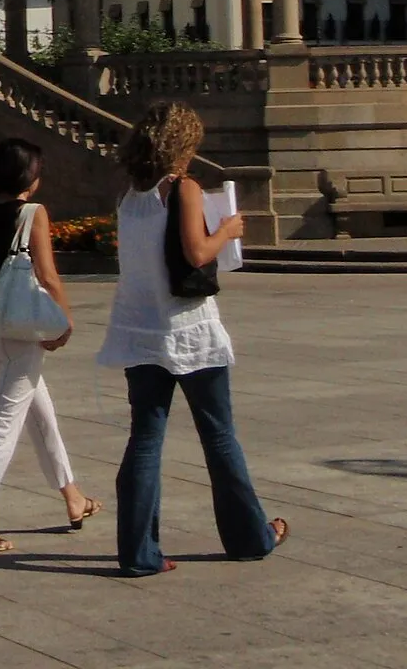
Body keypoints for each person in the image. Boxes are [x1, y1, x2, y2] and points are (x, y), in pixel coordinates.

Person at [100, 102, 286, 576]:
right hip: (187, 327)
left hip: (140, 329)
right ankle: (250, 536)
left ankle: (138, 552)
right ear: (183, 146)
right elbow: (196, 250)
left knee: (145, 439)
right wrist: (227, 230)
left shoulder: (130, 195)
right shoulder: (181, 188)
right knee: (219, 435)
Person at [0, 138, 100, 555]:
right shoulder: (33, 214)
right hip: (22, 336)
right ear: (29, 178)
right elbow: (49, 275)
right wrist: (64, 320)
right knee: (3, 424)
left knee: (41, 415)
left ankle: (73, 497)